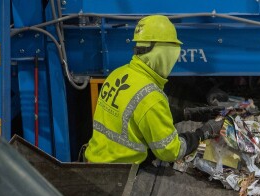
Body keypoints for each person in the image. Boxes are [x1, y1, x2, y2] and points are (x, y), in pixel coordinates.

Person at [84, 15, 221, 164]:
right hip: (121, 172)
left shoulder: (118, 74)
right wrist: (202, 134)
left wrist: (186, 114)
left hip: (95, 162)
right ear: (164, 53)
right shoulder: (151, 96)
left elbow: (139, 115)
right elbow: (170, 151)